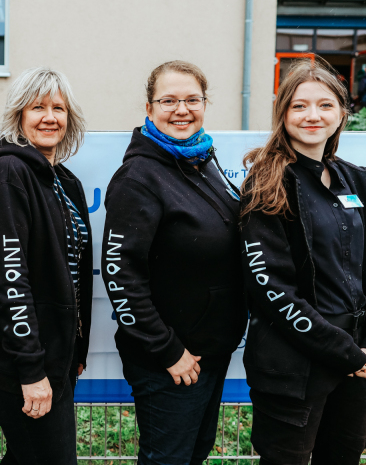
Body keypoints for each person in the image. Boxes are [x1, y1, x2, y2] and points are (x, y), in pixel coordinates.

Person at [239, 58, 366, 465]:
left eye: (325, 105)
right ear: (283, 113)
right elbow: (270, 287)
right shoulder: (266, 182)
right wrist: (344, 351)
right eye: (300, 105)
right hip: (293, 365)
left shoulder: (356, 180)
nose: (313, 116)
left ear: (342, 113)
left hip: (354, 361)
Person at [101, 60, 247, 465]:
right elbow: (120, 274)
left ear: (205, 104)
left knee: (194, 453)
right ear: (149, 109)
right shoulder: (138, 178)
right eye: (168, 101)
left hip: (210, 352)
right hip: (171, 360)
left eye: (192, 100)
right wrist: (167, 351)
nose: (181, 110)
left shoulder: (203, 161)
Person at [0, 67, 93, 465]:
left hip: (55, 354)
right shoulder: (9, 175)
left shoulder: (65, 182)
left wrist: (76, 346)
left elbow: (73, 274)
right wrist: (31, 369)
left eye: (59, 108)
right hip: (19, 361)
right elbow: (9, 280)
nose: (49, 117)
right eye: (37, 107)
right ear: (19, 115)